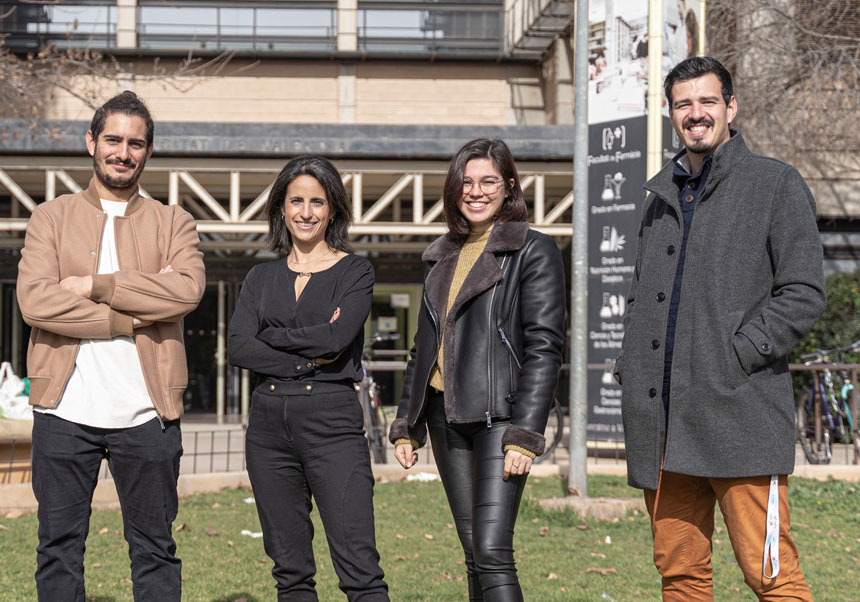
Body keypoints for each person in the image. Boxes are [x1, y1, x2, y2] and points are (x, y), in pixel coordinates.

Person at [616, 57, 825, 601]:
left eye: (708, 101)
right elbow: (642, 295)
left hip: (741, 414)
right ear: (671, 113)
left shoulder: (775, 184)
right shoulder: (659, 196)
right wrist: (629, 363)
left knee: (771, 574)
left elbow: (803, 293)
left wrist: (739, 353)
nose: (696, 113)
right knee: (680, 574)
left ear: (731, 106)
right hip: (663, 424)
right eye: (683, 104)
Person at [17, 91, 205, 601]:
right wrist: (131, 315)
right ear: (91, 142)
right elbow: (36, 303)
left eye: (136, 143)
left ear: (148, 151)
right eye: (113, 140)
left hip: (148, 414)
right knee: (57, 548)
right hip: (62, 411)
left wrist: (94, 284)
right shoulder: (49, 219)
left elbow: (186, 290)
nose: (123, 152)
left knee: (154, 550)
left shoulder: (174, 222)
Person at [390, 138, 565, 602]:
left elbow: (545, 348)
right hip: (447, 419)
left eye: (488, 181)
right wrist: (408, 424)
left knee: (491, 550)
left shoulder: (532, 250)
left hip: (500, 420)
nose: (476, 191)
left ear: (509, 187)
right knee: (472, 553)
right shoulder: (441, 255)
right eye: (466, 182)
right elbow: (423, 348)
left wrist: (526, 433)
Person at [227, 155, 389, 602]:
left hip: (332, 426)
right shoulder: (260, 277)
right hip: (267, 432)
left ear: (333, 208)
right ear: (281, 207)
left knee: (360, 571)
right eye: (296, 200)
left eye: (317, 201)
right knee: (290, 572)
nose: (306, 212)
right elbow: (239, 346)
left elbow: (338, 337)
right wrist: (307, 358)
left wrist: (272, 339)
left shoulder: (355, 271)